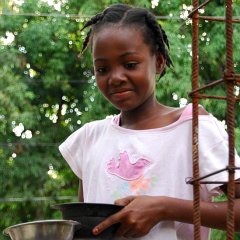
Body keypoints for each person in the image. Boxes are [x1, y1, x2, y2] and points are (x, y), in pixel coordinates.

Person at [59, 3, 240, 239]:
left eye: (130, 64)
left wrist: (164, 208)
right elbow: (86, 227)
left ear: (159, 62)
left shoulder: (194, 128)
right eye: (102, 69)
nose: (116, 78)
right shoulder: (89, 138)